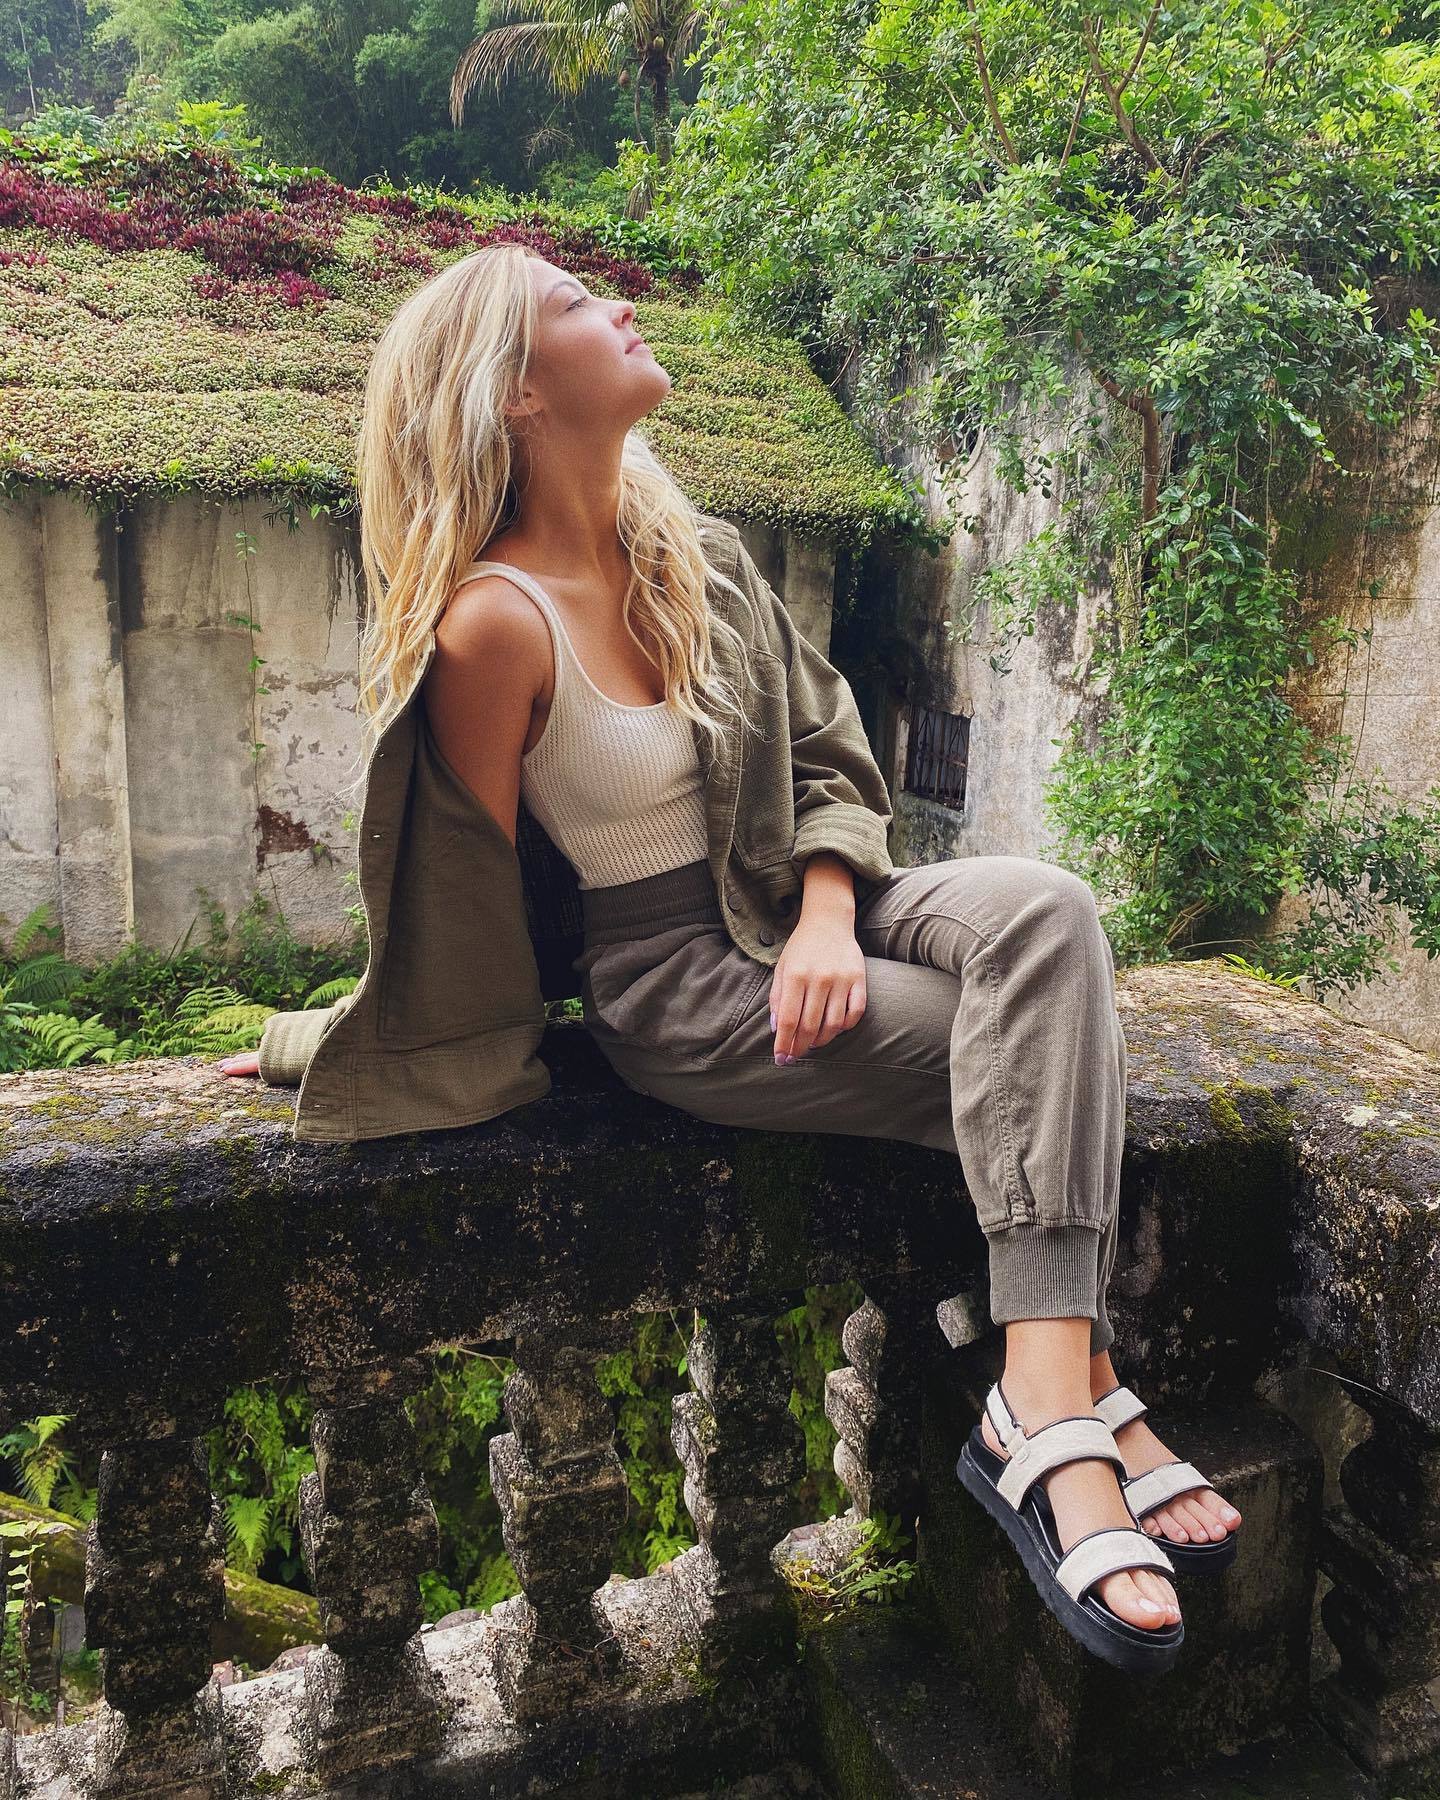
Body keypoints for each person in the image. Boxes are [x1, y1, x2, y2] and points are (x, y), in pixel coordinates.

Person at [219, 242, 1241, 1672]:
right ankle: (1073, 1398)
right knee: (1041, 1048)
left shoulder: (691, 553)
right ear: (515, 392)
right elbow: (463, 907)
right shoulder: (494, 627)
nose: (620, 304)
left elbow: (828, 746)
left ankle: (1041, 1394)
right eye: (575, 304)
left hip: (801, 898)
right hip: (686, 984)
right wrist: (321, 1039)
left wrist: (826, 910)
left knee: (1052, 911)